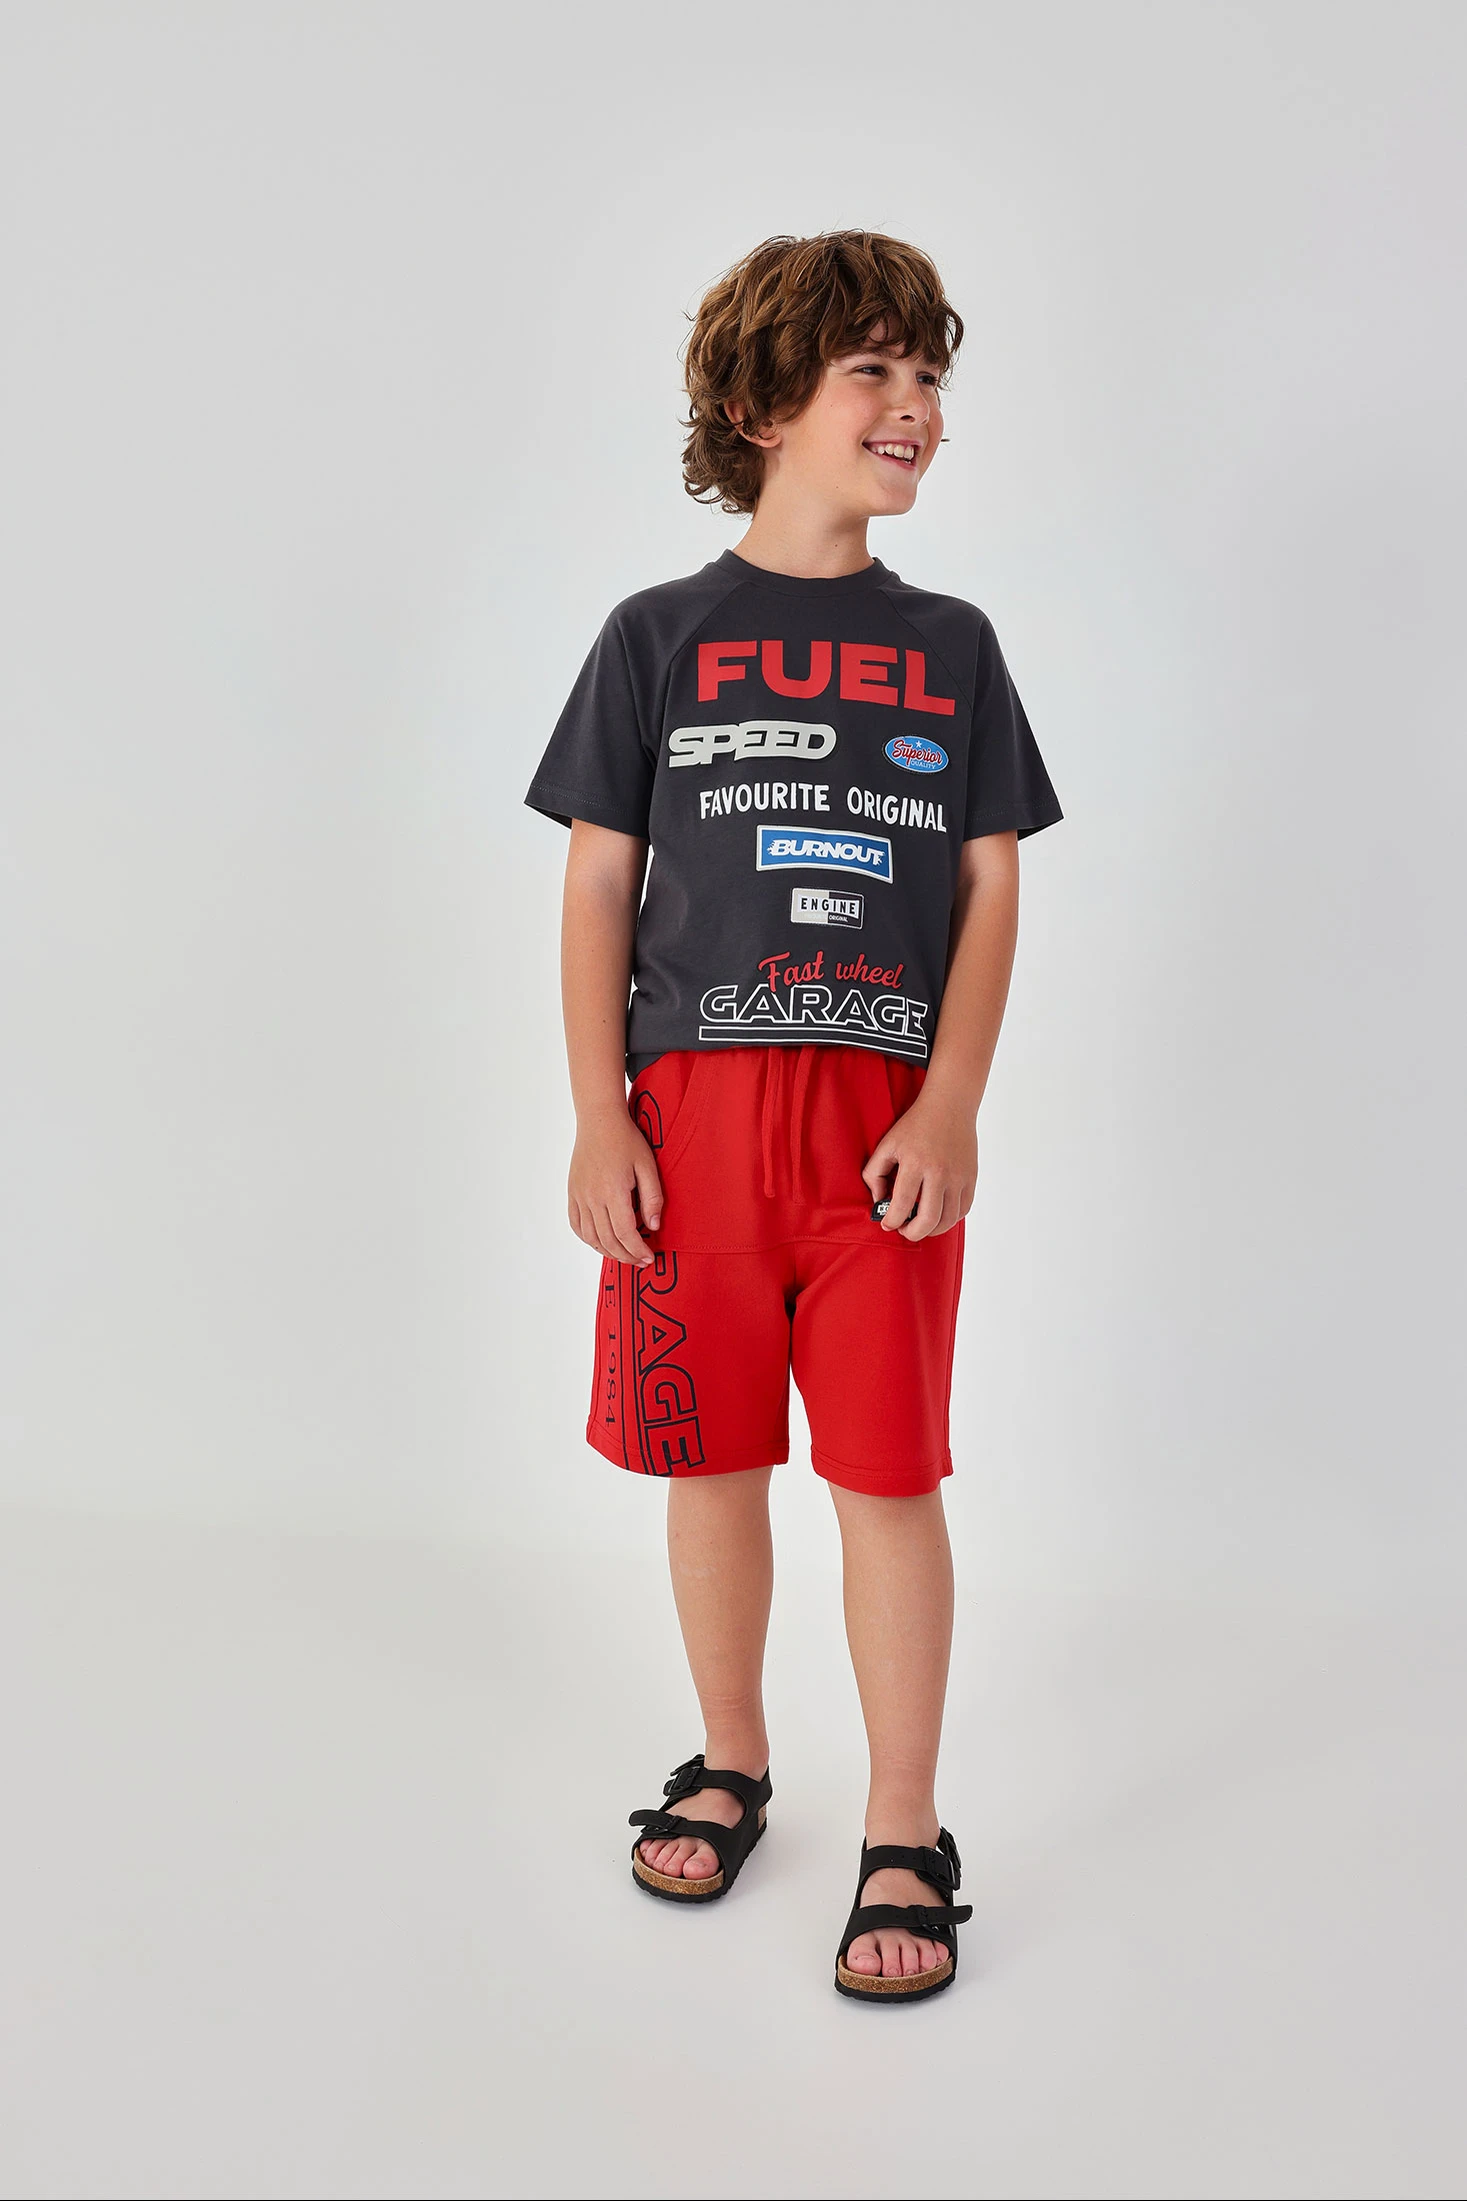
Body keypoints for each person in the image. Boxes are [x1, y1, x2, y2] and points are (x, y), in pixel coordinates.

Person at [524, 230, 1062, 2003]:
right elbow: (597, 886)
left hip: (880, 1131)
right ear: (763, 408)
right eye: (872, 373)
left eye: (929, 378)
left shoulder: (951, 647)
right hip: (688, 1121)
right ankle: (733, 1758)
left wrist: (952, 1099)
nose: (915, 407)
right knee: (711, 1459)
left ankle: (903, 1822)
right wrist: (598, 1118)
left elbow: (988, 886)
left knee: (887, 1473)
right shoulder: (655, 637)